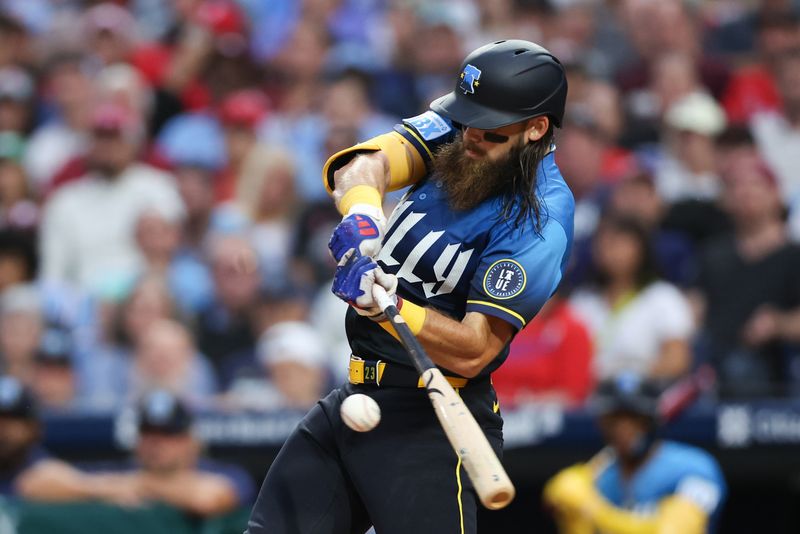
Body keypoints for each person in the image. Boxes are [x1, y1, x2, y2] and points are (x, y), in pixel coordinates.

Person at [247, 39, 574, 534]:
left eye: (486, 128)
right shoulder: (462, 128)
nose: (469, 136)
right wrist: (363, 210)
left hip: (434, 421)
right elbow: (362, 163)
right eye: (465, 118)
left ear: (536, 128)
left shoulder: (540, 217)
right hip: (357, 394)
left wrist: (390, 307)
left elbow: (476, 349)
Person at [18, 389, 255, 516]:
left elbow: (209, 498)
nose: (156, 443)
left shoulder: (223, 472)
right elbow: (34, 483)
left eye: (167, 434)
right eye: (149, 433)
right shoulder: (123, 475)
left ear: (189, 440)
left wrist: (143, 486)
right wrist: (102, 488)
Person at [543, 374, 726, 533]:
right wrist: (572, 520)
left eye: (634, 420)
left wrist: (592, 509)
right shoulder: (602, 477)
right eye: (614, 420)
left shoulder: (695, 468)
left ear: (651, 422)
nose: (622, 430)